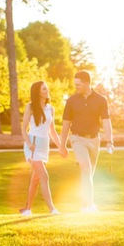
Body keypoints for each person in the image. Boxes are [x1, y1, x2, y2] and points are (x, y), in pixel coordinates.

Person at [59, 70, 114, 213]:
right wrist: (62, 145)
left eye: (78, 84)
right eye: (75, 84)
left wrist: (110, 141)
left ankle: (86, 203)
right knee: (86, 168)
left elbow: (106, 122)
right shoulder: (71, 101)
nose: (76, 87)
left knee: (89, 174)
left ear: (87, 83)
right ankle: (87, 205)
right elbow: (66, 124)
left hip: (94, 140)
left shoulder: (101, 100)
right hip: (77, 139)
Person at [20, 80, 62, 216]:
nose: (47, 90)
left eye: (46, 88)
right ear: (38, 92)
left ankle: (27, 209)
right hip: (32, 145)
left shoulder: (51, 109)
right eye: (44, 89)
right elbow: (23, 129)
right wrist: (29, 143)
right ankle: (52, 209)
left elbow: (52, 131)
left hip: (45, 146)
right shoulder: (30, 107)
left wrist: (61, 146)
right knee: (44, 176)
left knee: (36, 179)